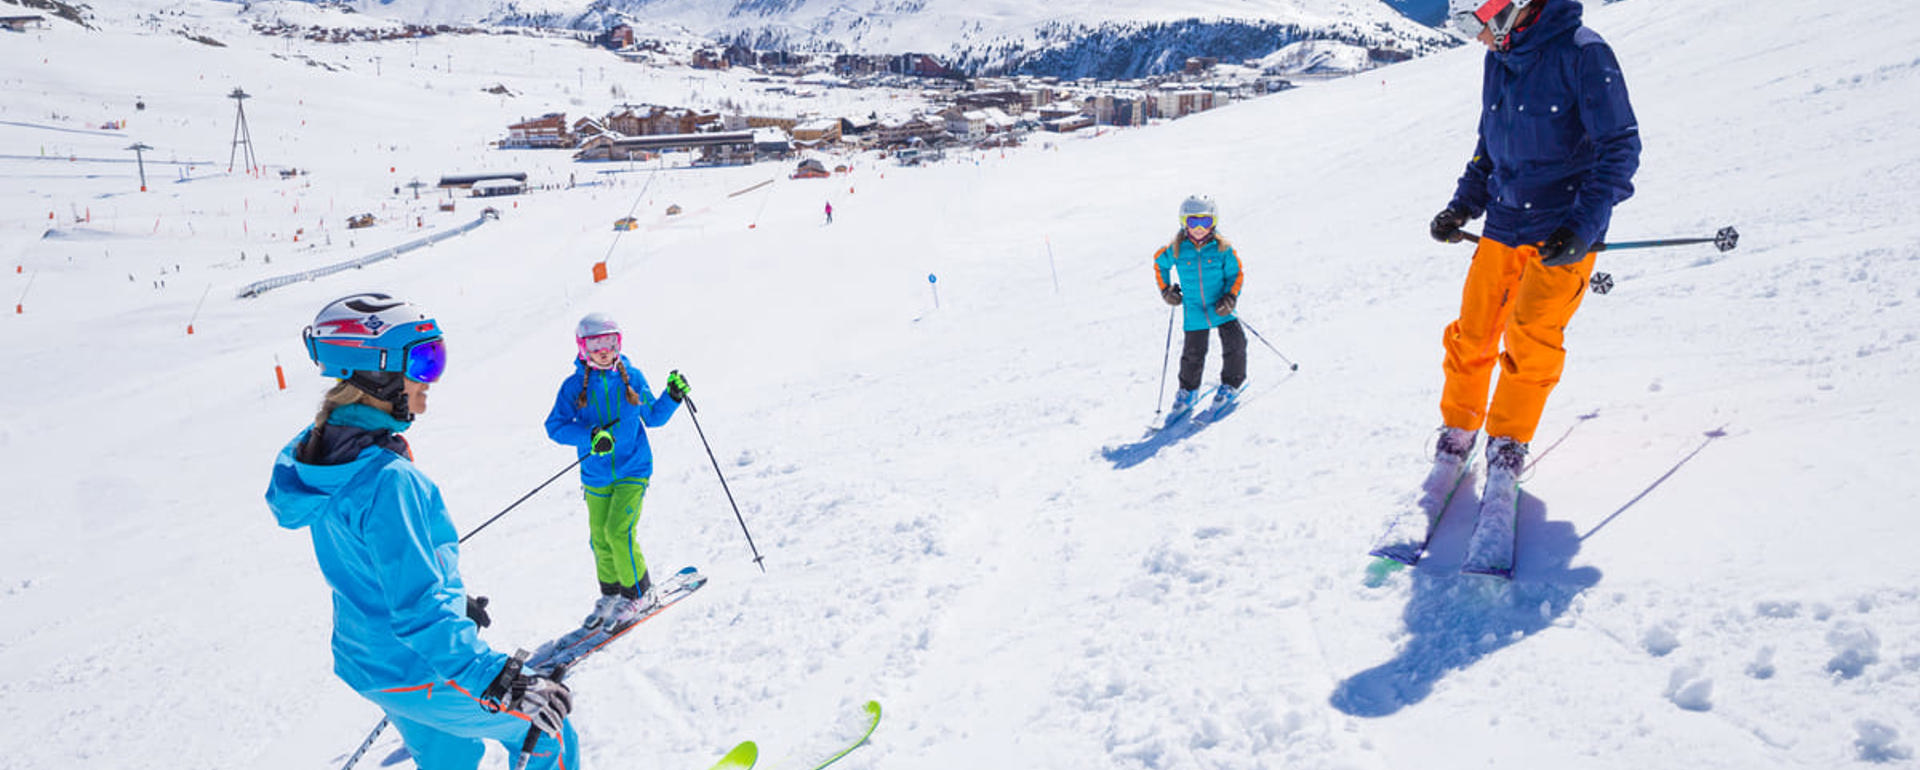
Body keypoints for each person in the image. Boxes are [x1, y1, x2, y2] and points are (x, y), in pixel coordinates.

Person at [266, 293, 577, 770]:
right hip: (417, 666)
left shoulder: (324, 459)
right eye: (425, 362)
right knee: (547, 730)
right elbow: (418, 613)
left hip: (371, 661)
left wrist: (450, 600)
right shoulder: (388, 479)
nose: (432, 379)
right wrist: (495, 679)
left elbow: (377, 566)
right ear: (376, 372)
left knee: (450, 755)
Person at [1428, 0, 1640, 520]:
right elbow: (1490, 145)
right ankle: (1458, 432)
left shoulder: (1584, 54)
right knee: (1472, 335)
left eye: (1470, 24)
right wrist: (1463, 204)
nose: (1471, 37)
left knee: (1530, 338)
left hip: (1561, 229)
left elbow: (1621, 149)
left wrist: (1580, 229)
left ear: (1507, 8)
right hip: (1504, 220)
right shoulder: (1499, 55)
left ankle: (1507, 445)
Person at [545, 313, 690, 631]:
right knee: (599, 537)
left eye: (610, 342)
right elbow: (554, 427)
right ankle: (611, 595)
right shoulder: (573, 387)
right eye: (595, 344)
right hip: (596, 475)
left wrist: (672, 396)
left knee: (618, 531)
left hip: (633, 468)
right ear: (583, 348)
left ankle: (640, 592)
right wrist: (590, 436)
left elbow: (652, 417)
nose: (604, 350)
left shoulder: (632, 377)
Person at [1153, 195, 1246, 415]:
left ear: (1213, 222)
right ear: (1184, 223)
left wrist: (1231, 297)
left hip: (1221, 306)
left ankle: (1231, 383)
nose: (1198, 228)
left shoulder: (1223, 249)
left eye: (1205, 222)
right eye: (1192, 222)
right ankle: (1188, 391)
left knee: (1235, 344)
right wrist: (1166, 290)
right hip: (1194, 309)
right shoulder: (1177, 249)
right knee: (1192, 353)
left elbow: (1236, 274)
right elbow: (1159, 264)